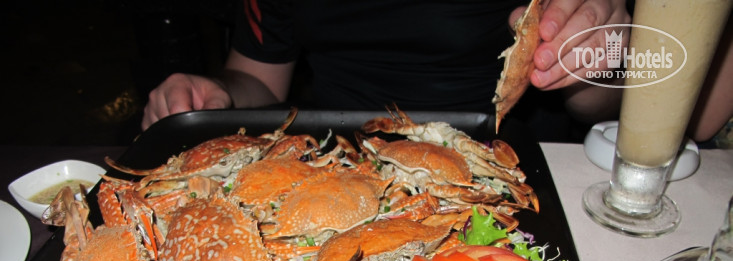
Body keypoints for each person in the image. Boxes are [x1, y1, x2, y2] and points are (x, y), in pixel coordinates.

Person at [142, 0, 632, 137]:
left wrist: (599, 57)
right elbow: (258, 80)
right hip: (337, 158)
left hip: (497, 150)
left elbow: (598, 108)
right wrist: (218, 95)